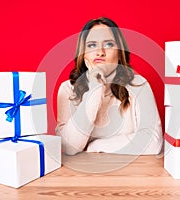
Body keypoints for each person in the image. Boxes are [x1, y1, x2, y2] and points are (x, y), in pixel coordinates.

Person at [56, 17, 163, 155]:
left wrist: (97, 145)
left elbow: (153, 143)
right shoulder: (67, 89)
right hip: (82, 174)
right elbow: (69, 147)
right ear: (82, 54)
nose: (100, 52)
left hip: (132, 172)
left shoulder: (138, 84)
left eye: (108, 44)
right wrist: (95, 89)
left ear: (120, 53)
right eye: (92, 45)